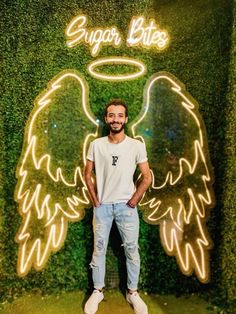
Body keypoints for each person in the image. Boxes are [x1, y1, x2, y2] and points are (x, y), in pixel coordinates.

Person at [84, 99, 152, 314]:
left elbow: (147, 177)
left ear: (126, 118)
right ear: (106, 119)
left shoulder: (136, 145)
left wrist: (134, 199)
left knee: (132, 250)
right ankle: (97, 291)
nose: (115, 119)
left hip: (126, 208)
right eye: (111, 115)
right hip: (102, 207)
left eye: (120, 115)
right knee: (99, 250)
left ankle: (132, 293)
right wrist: (94, 198)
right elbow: (87, 174)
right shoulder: (96, 145)